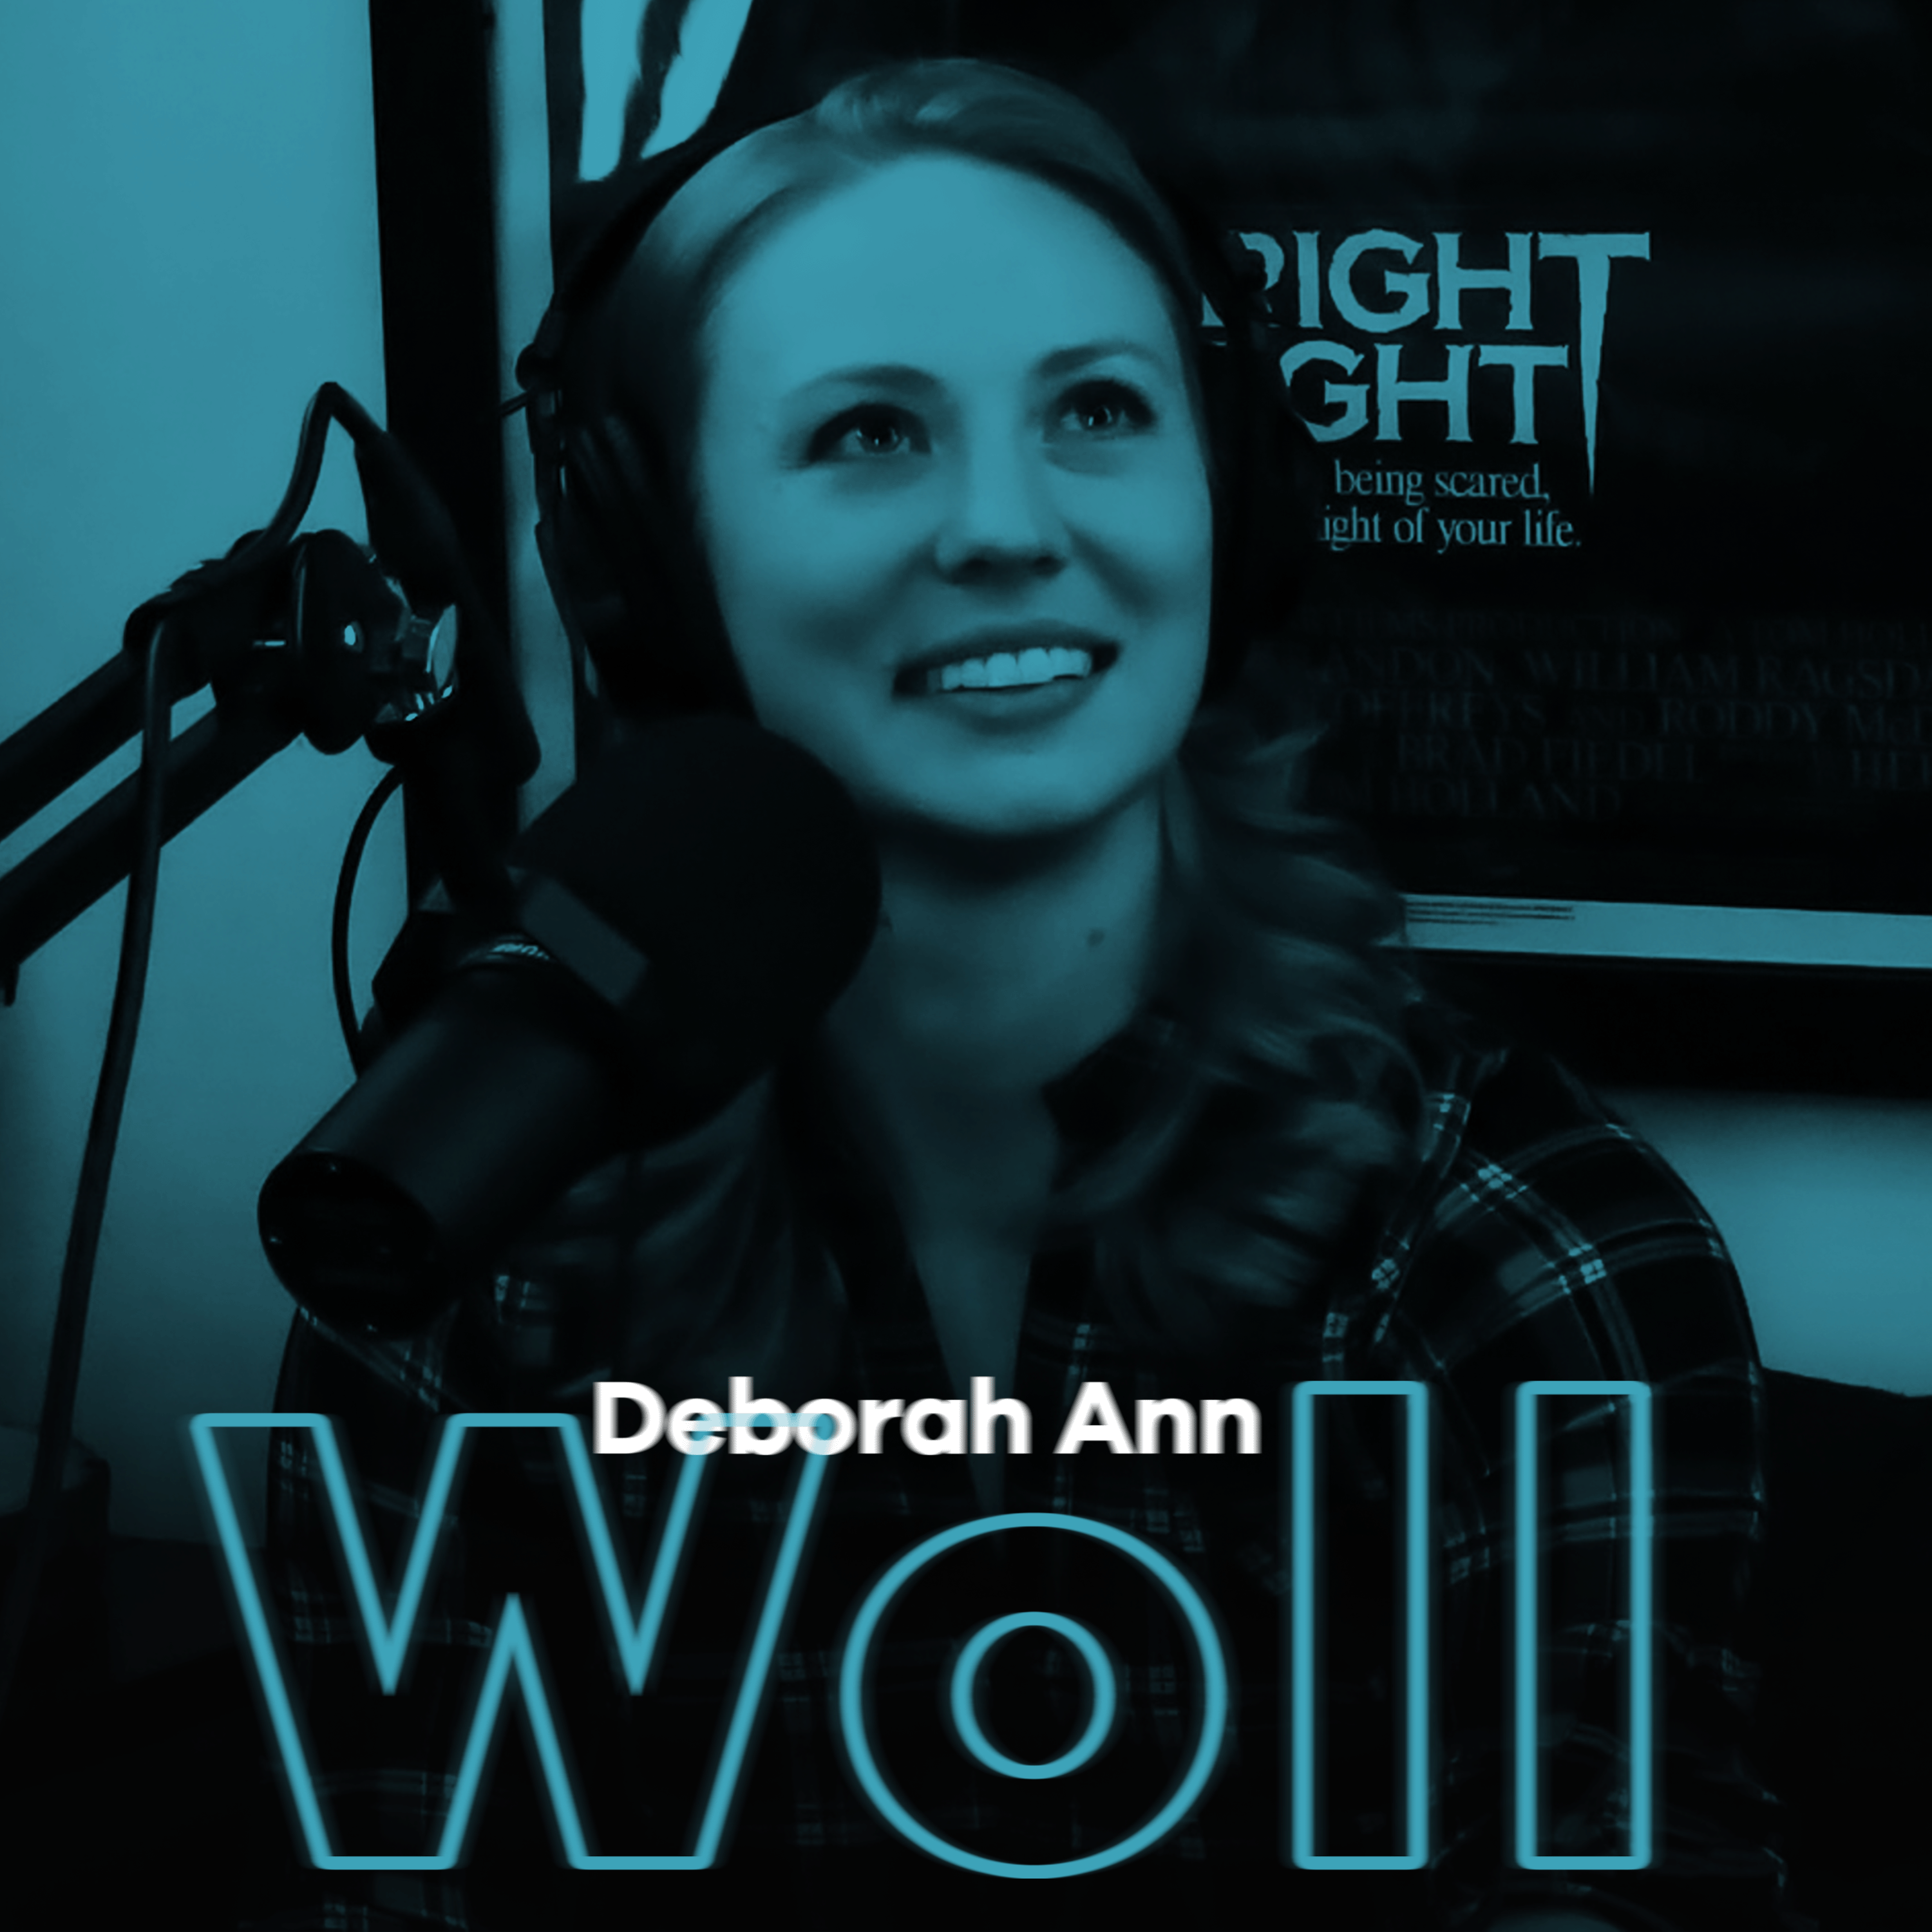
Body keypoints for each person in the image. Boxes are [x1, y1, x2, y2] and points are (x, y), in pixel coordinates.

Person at [266, 58, 1806, 1932]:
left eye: (1097, 408)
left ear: (1230, 497)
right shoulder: (475, 1243)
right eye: (869, 434)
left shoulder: (1515, 1249)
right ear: (650, 569)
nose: (1006, 526)